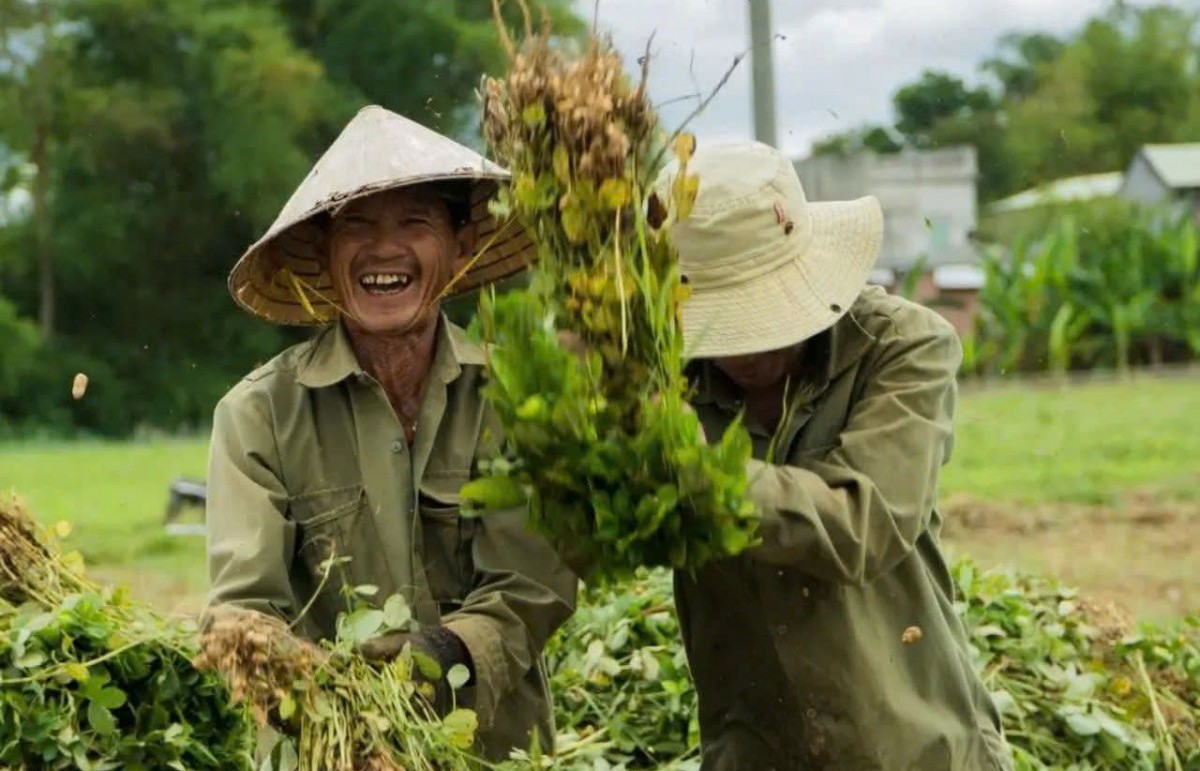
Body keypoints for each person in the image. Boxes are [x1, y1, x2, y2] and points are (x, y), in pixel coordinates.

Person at [203, 105, 577, 761]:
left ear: (461, 246)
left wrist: (440, 655)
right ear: (324, 253)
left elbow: (530, 588)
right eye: (357, 225)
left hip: (495, 750)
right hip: (331, 748)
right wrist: (319, 686)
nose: (384, 249)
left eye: (415, 222)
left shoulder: (518, 398)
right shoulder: (258, 414)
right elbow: (243, 608)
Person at [651, 141, 1015, 770]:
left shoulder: (900, 347)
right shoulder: (659, 377)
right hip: (756, 751)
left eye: (762, 314)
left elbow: (863, 526)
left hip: (914, 751)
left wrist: (703, 470)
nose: (744, 351)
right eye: (724, 323)